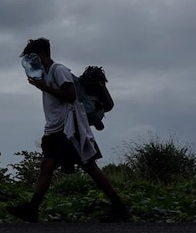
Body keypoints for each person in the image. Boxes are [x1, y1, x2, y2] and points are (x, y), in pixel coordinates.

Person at [8, 37, 131, 223]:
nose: (30, 62)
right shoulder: (46, 74)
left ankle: (120, 207)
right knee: (47, 166)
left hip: (70, 128)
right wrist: (43, 85)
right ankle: (32, 209)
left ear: (41, 54)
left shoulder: (59, 70)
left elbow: (70, 95)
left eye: (32, 57)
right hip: (56, 129)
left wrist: (44, 87)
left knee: (89, 167)